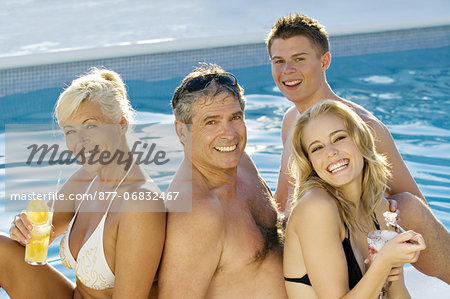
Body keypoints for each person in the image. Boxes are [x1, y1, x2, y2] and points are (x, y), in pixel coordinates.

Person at [266, 13, 450, 282]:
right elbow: (282, 202)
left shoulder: (362, 127)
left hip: (345, 246)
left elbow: (413, 206)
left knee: (407, 206)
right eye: (279, 61)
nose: (287, 71)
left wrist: (375, 231)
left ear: (324, 61)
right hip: (304, 249)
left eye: (299, 59)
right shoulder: (291, 121)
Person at [0, 68, 166, 298]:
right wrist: (23, 228)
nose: (80, 142)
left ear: (121, 124)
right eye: (70, 131)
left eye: (90, 126)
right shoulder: (85, 180)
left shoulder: (140, 204)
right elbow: (39, 235)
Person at [158, 63, 288, 298]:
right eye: (212, 122)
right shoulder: (197, 213)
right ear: (182, 131)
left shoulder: (241, 163)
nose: (229, 133)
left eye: (235, 118)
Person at [284, 99, 426, 298]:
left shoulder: (379, 205)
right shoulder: (315, 208)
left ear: (360, 140)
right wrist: (384, 261)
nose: (331, 152)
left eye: (339, 138)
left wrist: (396, 260)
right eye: (317, 148)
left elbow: (397, 293)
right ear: (310, 162)